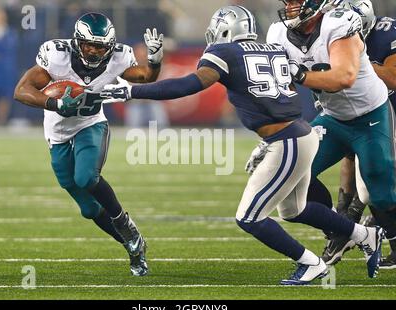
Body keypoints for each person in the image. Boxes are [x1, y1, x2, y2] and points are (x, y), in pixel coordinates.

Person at [99, 5, 384, 284]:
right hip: (299, 132)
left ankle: (311, 264)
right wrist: (266, 142)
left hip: (286, 141)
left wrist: (131, 90)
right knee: (293, 210)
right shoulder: (272, 49)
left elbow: (189, 85)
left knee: (249, 217)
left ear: (224, 29)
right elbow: (286, 99)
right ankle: (363, 234)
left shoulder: (224, 52)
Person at [14, 12, 164, 276]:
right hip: (57, 132)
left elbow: (146, 77)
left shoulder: (119, 57)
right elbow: (22, 90)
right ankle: (133, 245)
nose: (94, 51)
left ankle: (125, 224)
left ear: (110, 46)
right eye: (89, 45)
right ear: (77, 42)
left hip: (90, 124)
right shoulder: (57, 55)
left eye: (100, 46)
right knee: (88, 209)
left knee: (86, 177)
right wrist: (55, 103)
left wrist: (154, 60)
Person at [268, 0, 396, 265]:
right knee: (292, 169)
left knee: (379, 190)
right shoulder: (277, 33)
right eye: (288, 2)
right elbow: (281, 90)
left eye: (296, 2)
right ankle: (340, 229)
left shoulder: (339, 24)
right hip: (333, 118)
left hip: (370, 115)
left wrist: (300, 75)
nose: (290, 8)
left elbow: (343, 78)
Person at [316, 0, 396, 269]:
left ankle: (352, 225)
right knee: (355, 165)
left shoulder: (386, 33)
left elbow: (395, 78)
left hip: (385, 109)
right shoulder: (328, 34)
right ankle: (345, 222)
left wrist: (357, 64)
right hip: (354, 114)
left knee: (378, 185)